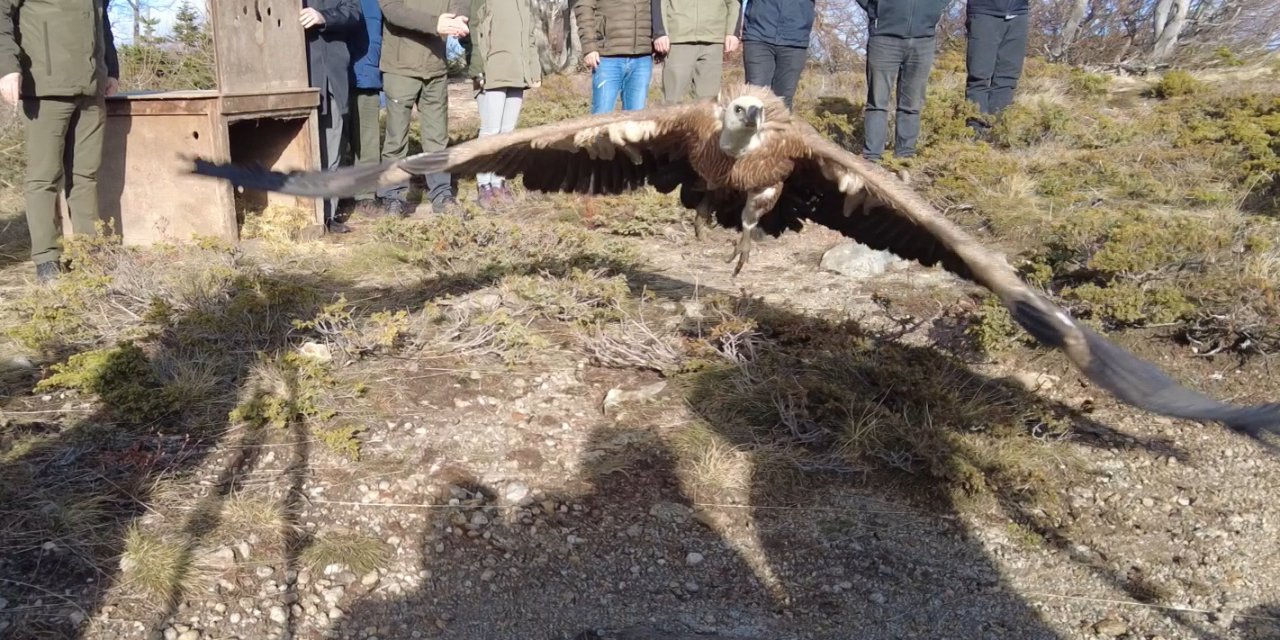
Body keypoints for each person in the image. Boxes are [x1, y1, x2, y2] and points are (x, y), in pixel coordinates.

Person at [0, 0, 119, 284]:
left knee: (85, 175)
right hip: (46, 86)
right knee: (44, 177)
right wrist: (7, 67)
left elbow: (101, 22)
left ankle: (89, 254)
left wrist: (111, 68)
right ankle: (46, 260)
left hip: (91, 89)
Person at [377, 0, 470, 216]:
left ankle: (442, 195)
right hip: (401, 68)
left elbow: (461, 2)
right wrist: (435, 24)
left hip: (436, 68)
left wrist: (459, 17)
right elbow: (392, 10)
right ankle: (393, 197)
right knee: (396, 139)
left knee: (437, 139)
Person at [464, 0, 541, 209]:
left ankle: (499, 182)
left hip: (518, 73)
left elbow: (530, 37)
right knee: (491, 131)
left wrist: (534, 69)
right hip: (492, 72)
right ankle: (484, 185)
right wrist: (477, 69)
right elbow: (475, 30)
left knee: (508, 133)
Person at [856, 0, 949, 163]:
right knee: (877, 102)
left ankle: (905, 157)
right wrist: (876, 8)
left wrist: (934, 8)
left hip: (923, 39)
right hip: (884, 37)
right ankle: (872, 157)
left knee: (912, 104)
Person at [302, 0, 362, 233]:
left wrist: (323, 16)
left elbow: (354, 13)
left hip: (331, 76)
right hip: (294, 77)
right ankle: (303, 214)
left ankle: (328, 215)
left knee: (331, 147)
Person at [650, 0, 741, 104]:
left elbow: (734, 2)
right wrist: (660, 32)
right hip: (678, 39)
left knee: (708, 103)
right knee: (672, 101)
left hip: (713, 39)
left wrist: (732, 32)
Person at [574, 0, 655, 114]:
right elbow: (583, 7)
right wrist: (589, 47)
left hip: (642, 55)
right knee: (601, 118)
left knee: (636, 121)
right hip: (608, 56)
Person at [964, 0, 1029, 131]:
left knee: (1008, 78)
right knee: (979, 76)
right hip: (984, 11)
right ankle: (976, 131)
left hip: (1019, 12)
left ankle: (997, 129)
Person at [739, 0, 813, 110]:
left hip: (795, 37)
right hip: (758, 34)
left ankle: (780, 127)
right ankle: (754, 127)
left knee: (783, 102)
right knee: (754, 97)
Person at [347, 0, 384, 216]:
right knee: (336, 138)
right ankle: (337, 195)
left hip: (367, 71)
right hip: (334, 72)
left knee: (367, 138)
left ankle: (365, 196)